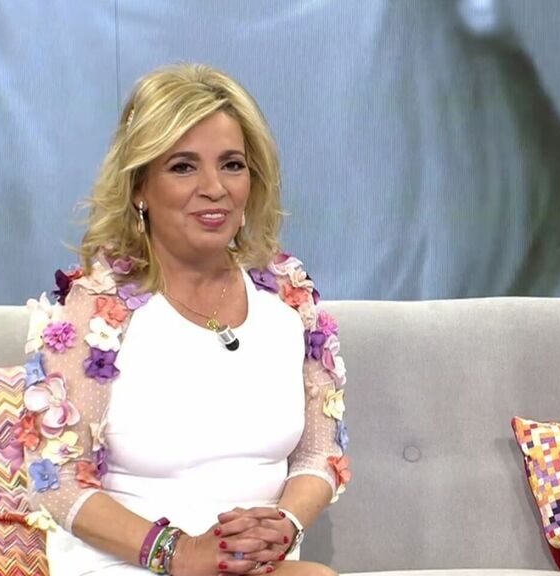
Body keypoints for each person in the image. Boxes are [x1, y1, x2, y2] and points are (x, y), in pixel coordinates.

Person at [18, 64, 349, 576]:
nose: (214, 188)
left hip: (251, 569)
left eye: (232, 165)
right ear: (139, 187)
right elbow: (55, 479)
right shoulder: (92, 310)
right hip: (126, 563)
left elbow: (318, 455)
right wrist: (181, 552)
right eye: (183, 167)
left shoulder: (289, 296)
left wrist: (283, 524)